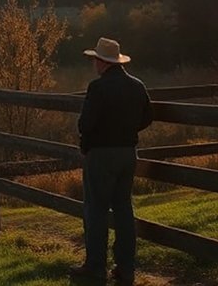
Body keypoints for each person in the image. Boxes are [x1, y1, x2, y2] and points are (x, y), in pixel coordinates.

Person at [70, 37, 152, 285]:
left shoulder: (98, 87)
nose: (93, 64)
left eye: (95, 59)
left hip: (101, 154)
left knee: (95, 209)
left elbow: (86, 124)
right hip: (128, 153)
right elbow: (148, 116)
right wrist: (128, 131)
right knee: (124, 209)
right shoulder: (137, 86)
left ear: (101, 62)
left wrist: (86, 146)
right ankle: (126, 267)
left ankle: (95, 266)